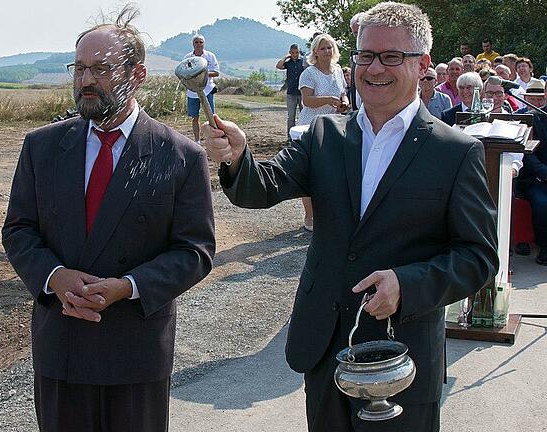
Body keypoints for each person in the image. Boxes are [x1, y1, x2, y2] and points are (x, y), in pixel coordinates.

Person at [202, 3, 498, 431]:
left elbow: (478, 258)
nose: (374, 68)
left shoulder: (455, 151)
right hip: (325, 349)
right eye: (365, 55)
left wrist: (407, 284)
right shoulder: (325, 135)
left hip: (403, 358)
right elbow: (260, 187)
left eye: (391, 56)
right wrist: (236, 157)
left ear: (423, 65)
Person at [1, 6, 216, 431]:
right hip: (62, 348)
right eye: (79, 68)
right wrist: (54, 277)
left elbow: (195, 251)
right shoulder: (41, 148)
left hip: (134, 354)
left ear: (137, 75)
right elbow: (18, 230)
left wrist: (127, 287)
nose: (84, 81)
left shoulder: (180, 156)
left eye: (99, 69)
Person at [297, 33, 348, 232]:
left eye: (330, 47)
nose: (327, 51)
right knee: (310, 171)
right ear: (315, 52)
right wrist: (327, 99)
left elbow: (342, 93)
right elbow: (307, 101)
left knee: (332, 173)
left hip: (334, 125)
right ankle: (310, 215)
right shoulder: (309, 73)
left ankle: (328, 214)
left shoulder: (337, 71)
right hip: (311, 126)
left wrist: (344, 102)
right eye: (323, 48)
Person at [519, 88, 547, 265]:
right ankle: (544, 246)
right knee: (543, 204)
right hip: (539, 179)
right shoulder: (535, 118)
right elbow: (527, 153)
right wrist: (543, 171)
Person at [183, 34, 219, 141]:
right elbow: (184, 73)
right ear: (193, 44)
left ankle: (214, 139)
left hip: (207, 90)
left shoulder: (210, 56)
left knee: (211, 117)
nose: (199, 44)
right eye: (196, 42)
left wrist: (203, 74)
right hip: (192, 92)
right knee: (195, 118)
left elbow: (216, 72)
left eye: (201, 42)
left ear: (204, 43)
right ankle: (197, 141)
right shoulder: (187, 58)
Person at [277, 43, 307, 134]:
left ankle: (303, 136)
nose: (295, 54)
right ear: (290, 52)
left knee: (304, 115)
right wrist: (286, 57)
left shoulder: (303, 62)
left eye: (296, 52)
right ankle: (290, 137)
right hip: (291, 93)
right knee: (291, 117)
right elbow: (278, 66)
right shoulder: (288, 63)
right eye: (293, 53)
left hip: (302, 93)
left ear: (299, 52)